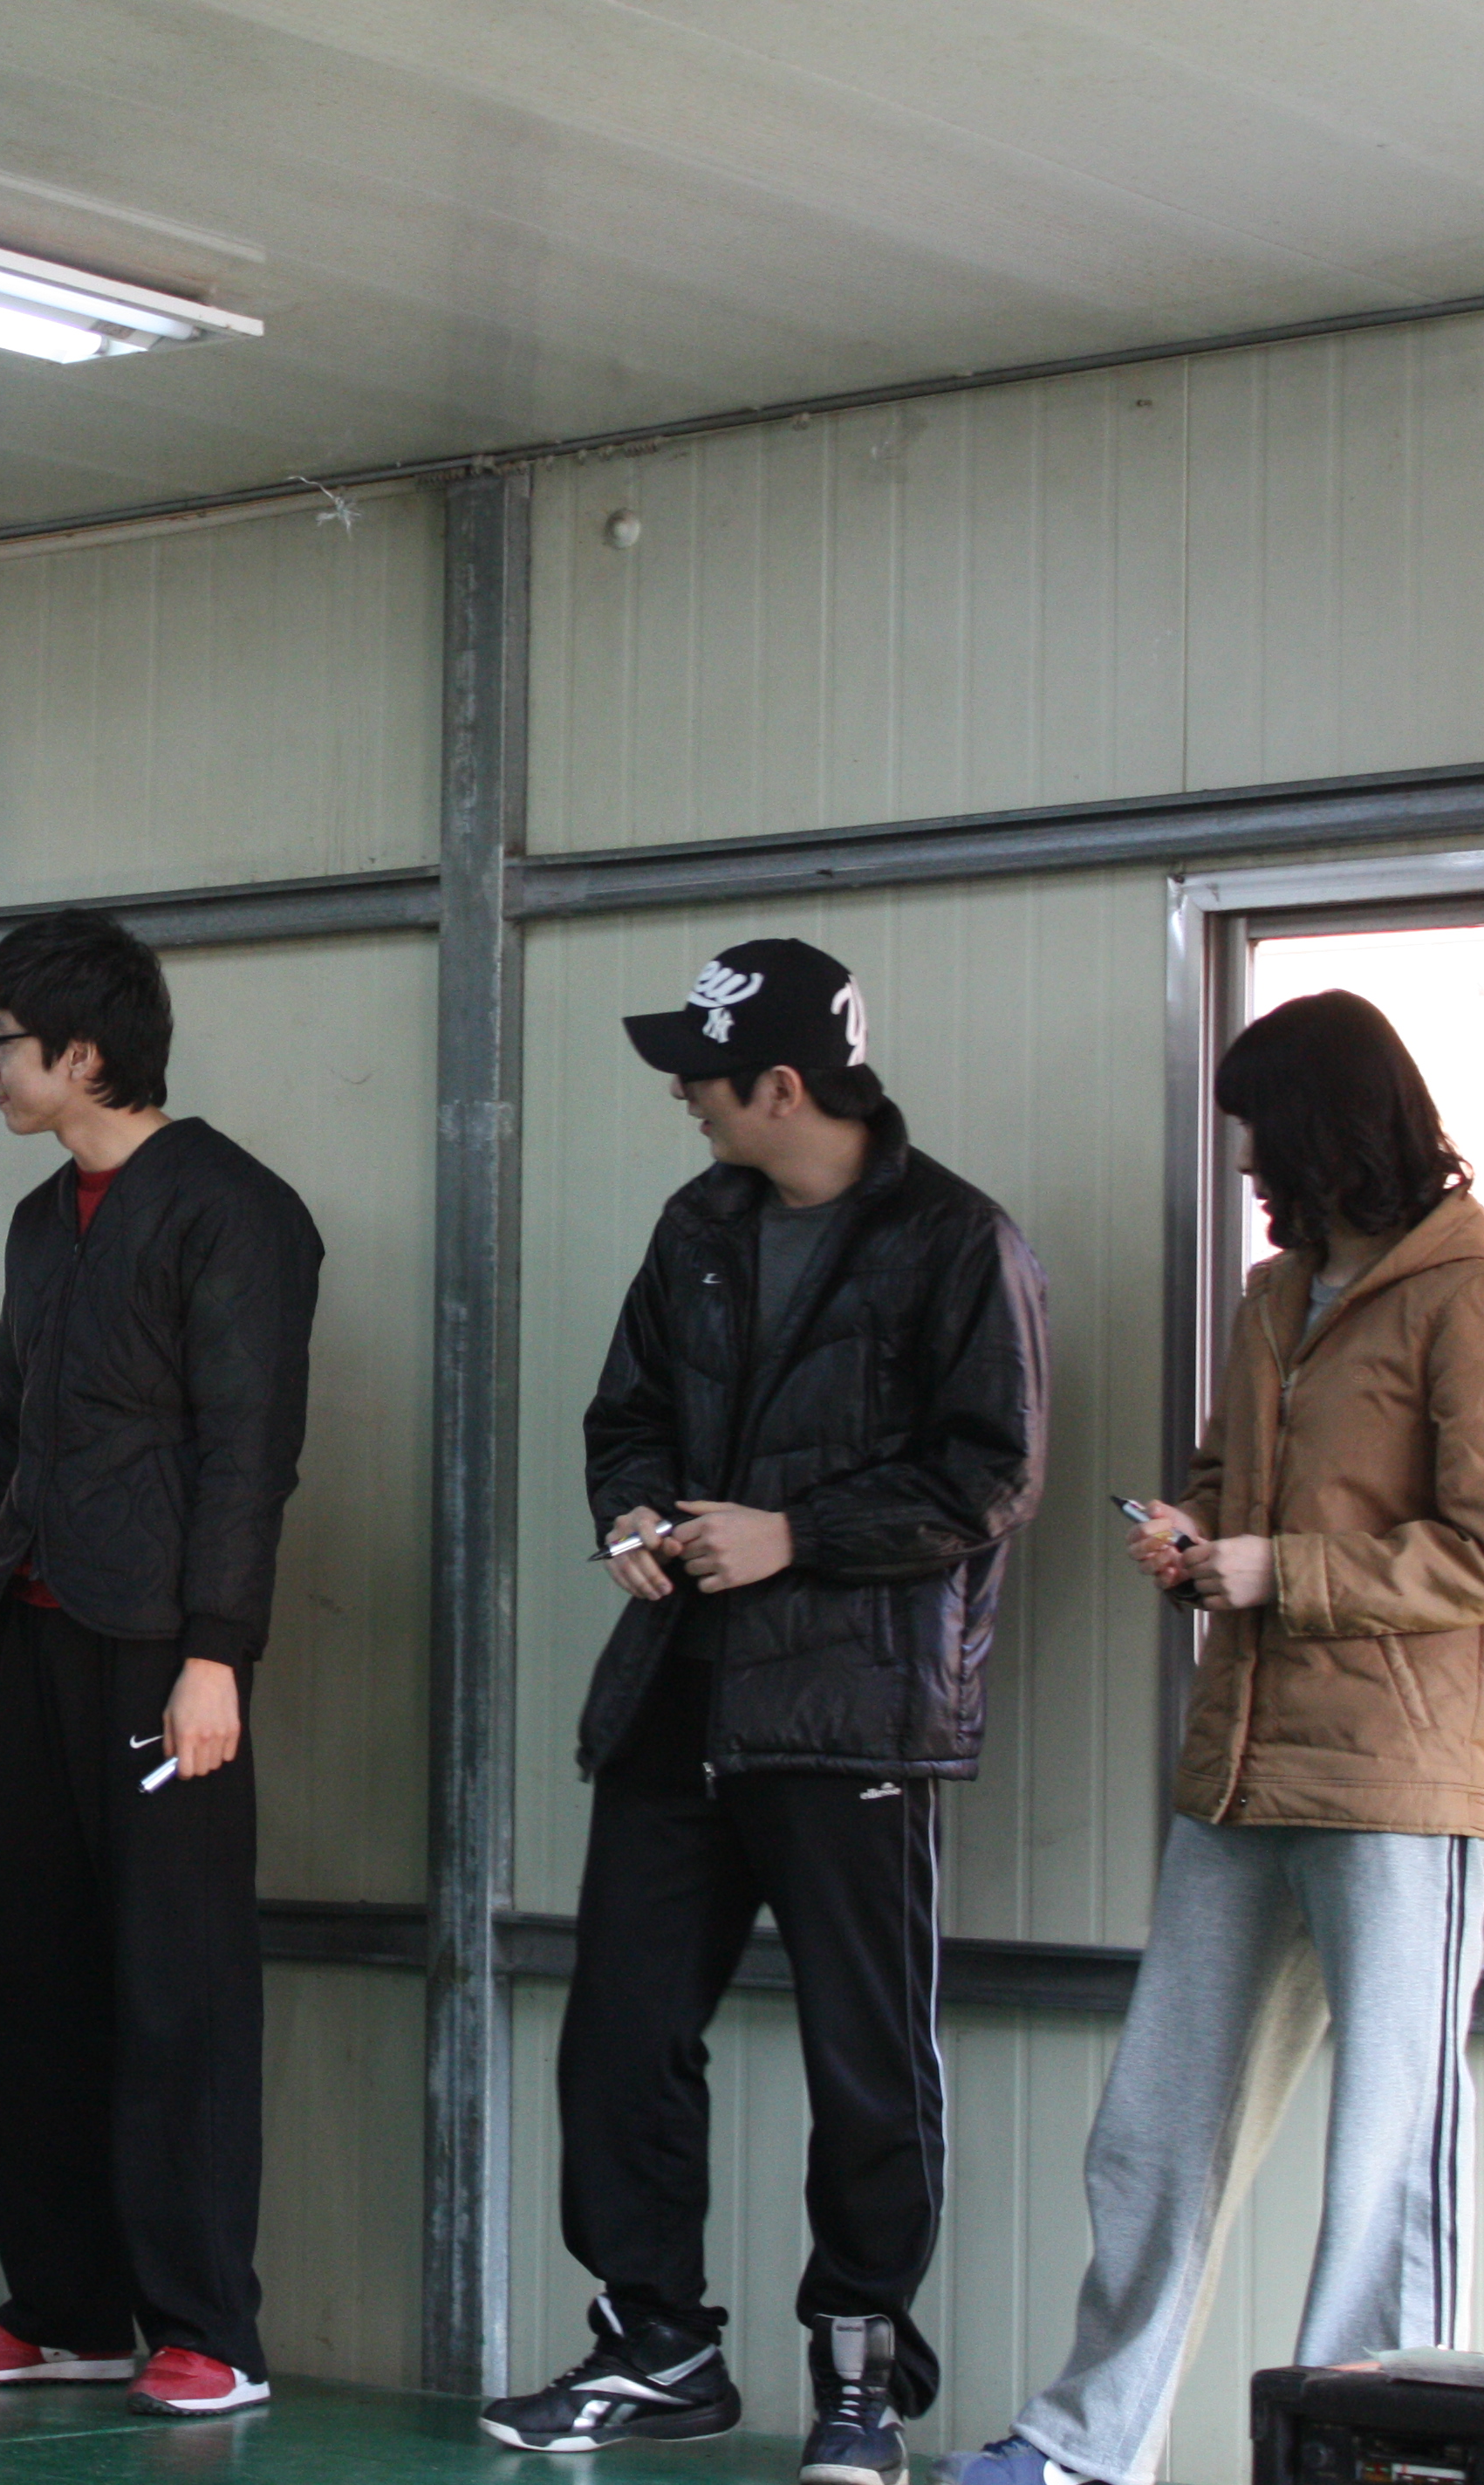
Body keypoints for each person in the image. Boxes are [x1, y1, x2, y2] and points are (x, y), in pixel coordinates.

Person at [943, 992, 1484, 2485]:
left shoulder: (1474, 1298)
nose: (1243, 1162)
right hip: (1240, 1764)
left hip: (1399, 1786)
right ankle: (1085, 2447)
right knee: (1153, 2133)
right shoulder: (1274, 1298)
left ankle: (1385, 2454)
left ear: (1328, 1127)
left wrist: (1276, 1571)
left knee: (1390, 2158)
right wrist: (1199, 1539)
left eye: (1259, 1130)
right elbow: (1235, 1479)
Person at [486, 939, 1049, 2485]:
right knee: (620, 2037)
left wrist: (796, 1536)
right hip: (681, 1700)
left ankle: (860, 2377)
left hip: (855, 1718)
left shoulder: (958, 1242)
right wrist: (629, 1514)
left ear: (783, 1085)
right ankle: (656, 2346)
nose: (683, 1093)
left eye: (703, 1072)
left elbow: (991, 1475)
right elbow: (627, 1415)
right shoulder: (701, 1226)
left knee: (867, 2065)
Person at [0, 908, 321, 2422]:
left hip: (167, 1650)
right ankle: (68, 2309)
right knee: (24, 1980)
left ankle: (209, 2328)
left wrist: (217, 1654)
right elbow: (12, 1439)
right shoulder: (45, 1222)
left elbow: (248, 1455)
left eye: (4, 1045)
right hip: (38, 1639)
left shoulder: (236, 1211)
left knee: (178, 1987)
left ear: (84, 1056)